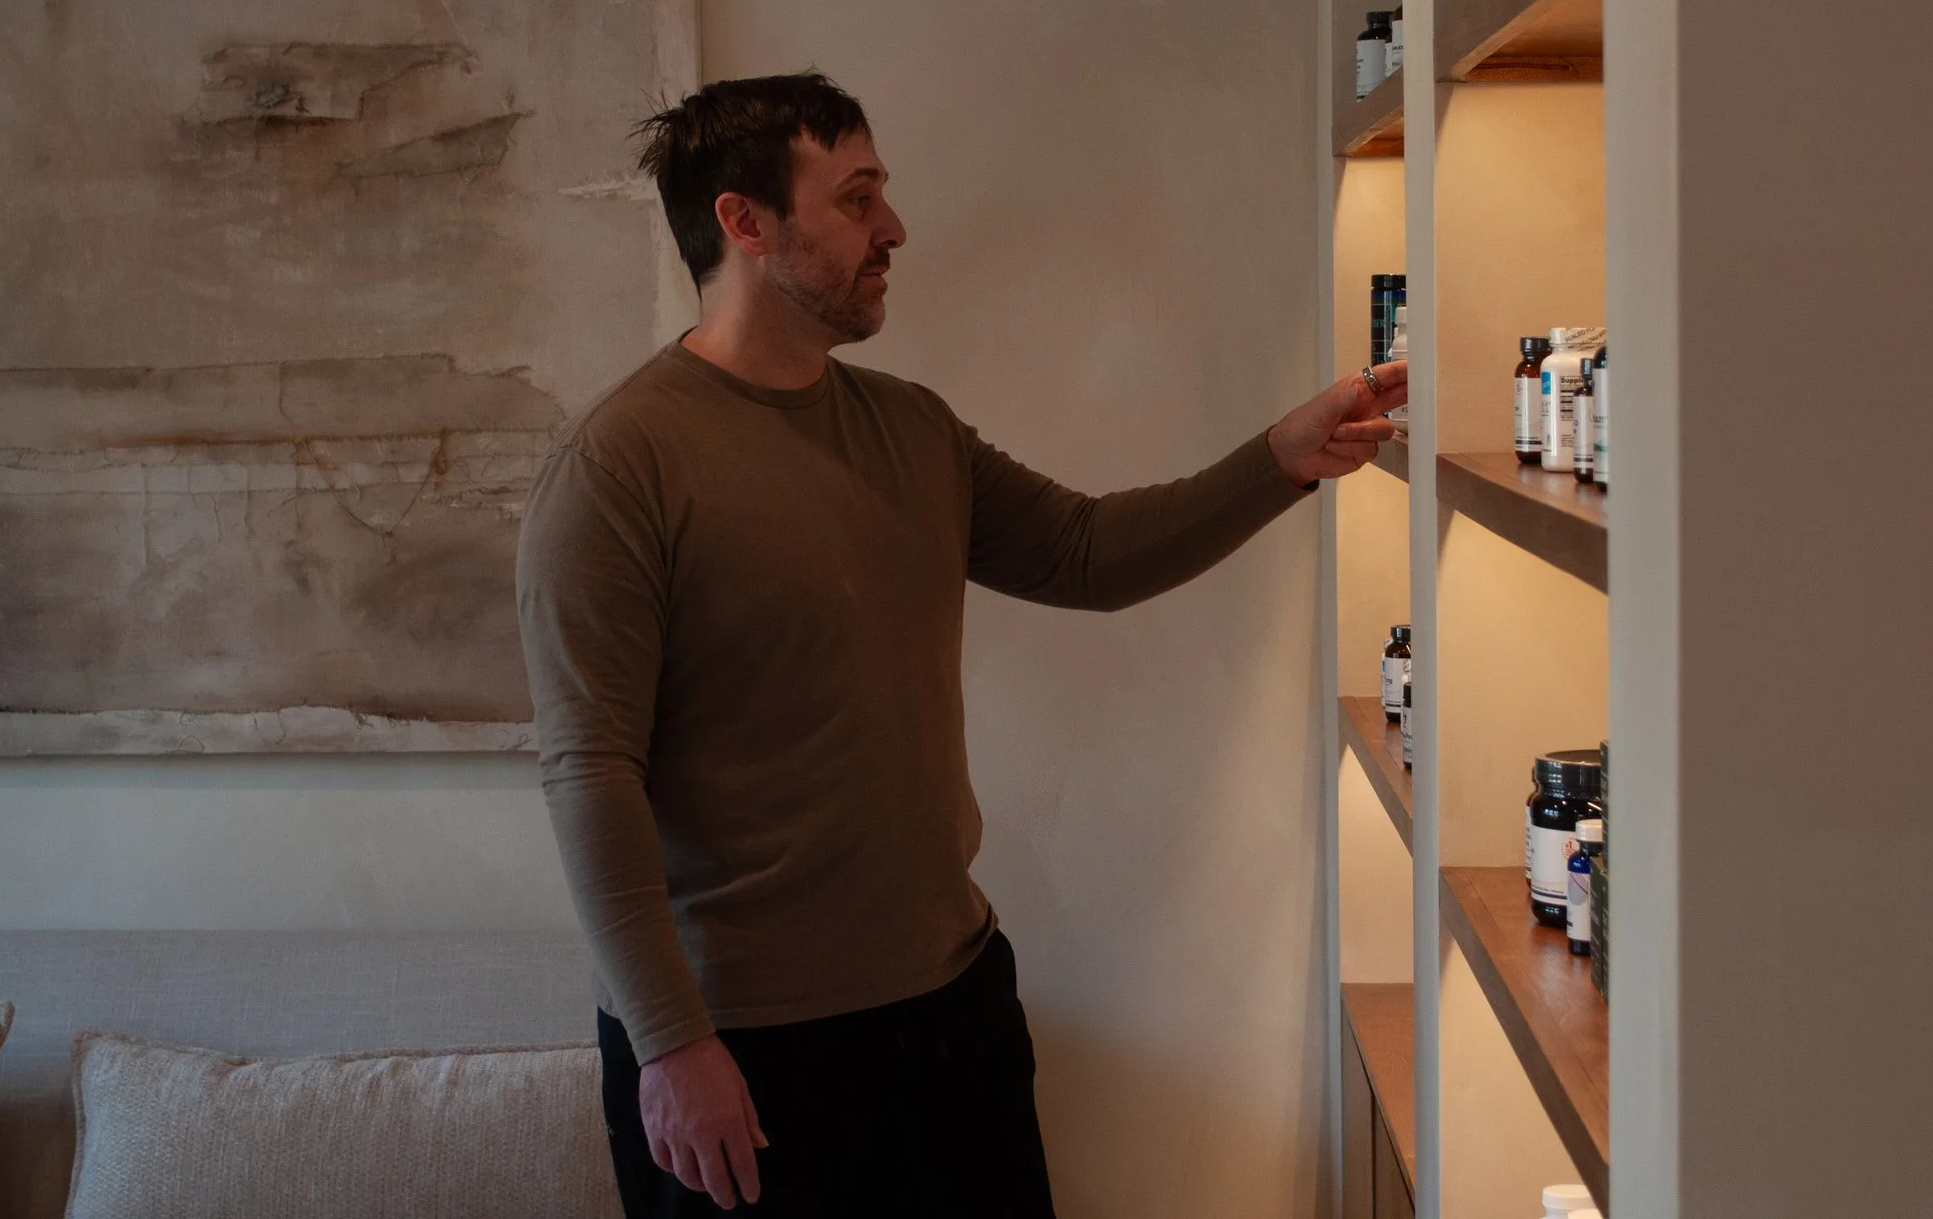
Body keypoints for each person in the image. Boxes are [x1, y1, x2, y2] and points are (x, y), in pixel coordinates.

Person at [517, 72, 1406, 1218]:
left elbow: (1088, 552)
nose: (891, 228)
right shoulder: (617, 469)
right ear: (745, 222)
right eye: (855, 198)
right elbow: (588, 771)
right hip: (739, 1051)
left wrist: (1277, 459)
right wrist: (670, 1043)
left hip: (950, 1013)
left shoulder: (910, 430)